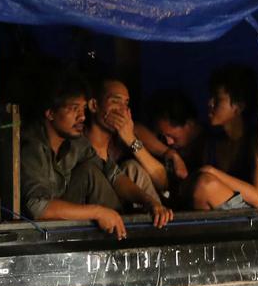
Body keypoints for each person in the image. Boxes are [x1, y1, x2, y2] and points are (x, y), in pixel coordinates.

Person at [21, 72, 172, 239]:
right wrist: (97, 212)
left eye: (83, 109)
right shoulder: (32, 147)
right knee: (89, 173)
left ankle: (126, 238)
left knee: (93, 171)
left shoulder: (76, 143)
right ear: (50, 113)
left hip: (70, 227)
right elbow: (37, 207)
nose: (82, 116)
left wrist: (150, 202)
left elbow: (113, 175)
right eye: (73, 109)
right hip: (43, 236)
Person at [190, 65, 258, 210]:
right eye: (211, 97)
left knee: (206, 185)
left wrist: (213, 172)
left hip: (248, 216)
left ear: (238, 107)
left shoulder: (254, 142)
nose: (210, 103)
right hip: (218, 212)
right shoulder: (212, 143)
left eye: (218, 99)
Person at [85, 77, 168, 200]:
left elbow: (163, 183)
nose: (122, 110)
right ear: (94, 105)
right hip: (91, 213)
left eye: (126, 103)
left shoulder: (121, 143)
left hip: (125, 213)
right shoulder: (78, 143)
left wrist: (131, 140)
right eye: (115, 101)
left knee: (132, 167)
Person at [135, 89, 207, 205]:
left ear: (189, 124)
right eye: (164, 136)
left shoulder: (208, 145)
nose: (168, 141)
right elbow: (136, 129)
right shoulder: (167, 145)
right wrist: (170, 153)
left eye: (171, 136)